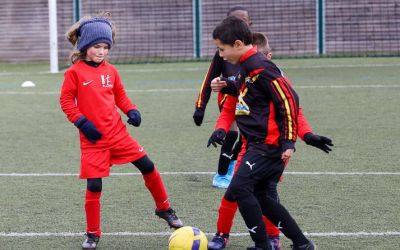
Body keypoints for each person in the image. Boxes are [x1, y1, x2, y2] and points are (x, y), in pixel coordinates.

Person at [59, 13, 183, 250]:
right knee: (94, 186)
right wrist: (82, 123)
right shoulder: (74, 73)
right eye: (97, 46)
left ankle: (164, 208)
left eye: (106, 47)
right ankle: (93, 234)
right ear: (85, 46)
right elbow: (66, 101)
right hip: (93, 141)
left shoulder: (111, 71)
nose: (102, 51)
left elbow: (120, 96)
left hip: (118, 135)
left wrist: (132, 110)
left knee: (148, 166)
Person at [207, 32, 333, 250]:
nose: (221, 56)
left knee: (249, 190)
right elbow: (230, 106)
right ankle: (225, 235)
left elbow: (293, 109)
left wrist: (303, 137)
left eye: (222, 50)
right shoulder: (245, 73)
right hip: (252, 145)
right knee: (258, 194)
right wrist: (220, 128)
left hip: (270, 145)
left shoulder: (265, 72)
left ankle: (269, 242)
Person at [193, 6, 252, 189]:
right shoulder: (223, 52)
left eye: (243, 21)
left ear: (249, 25)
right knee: (231, 131)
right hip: (229, 98)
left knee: (249, 135)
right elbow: (209, 78)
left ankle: (236, 166)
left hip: (250, 97)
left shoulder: (255, 50)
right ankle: (222, 173)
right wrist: (200, 107)